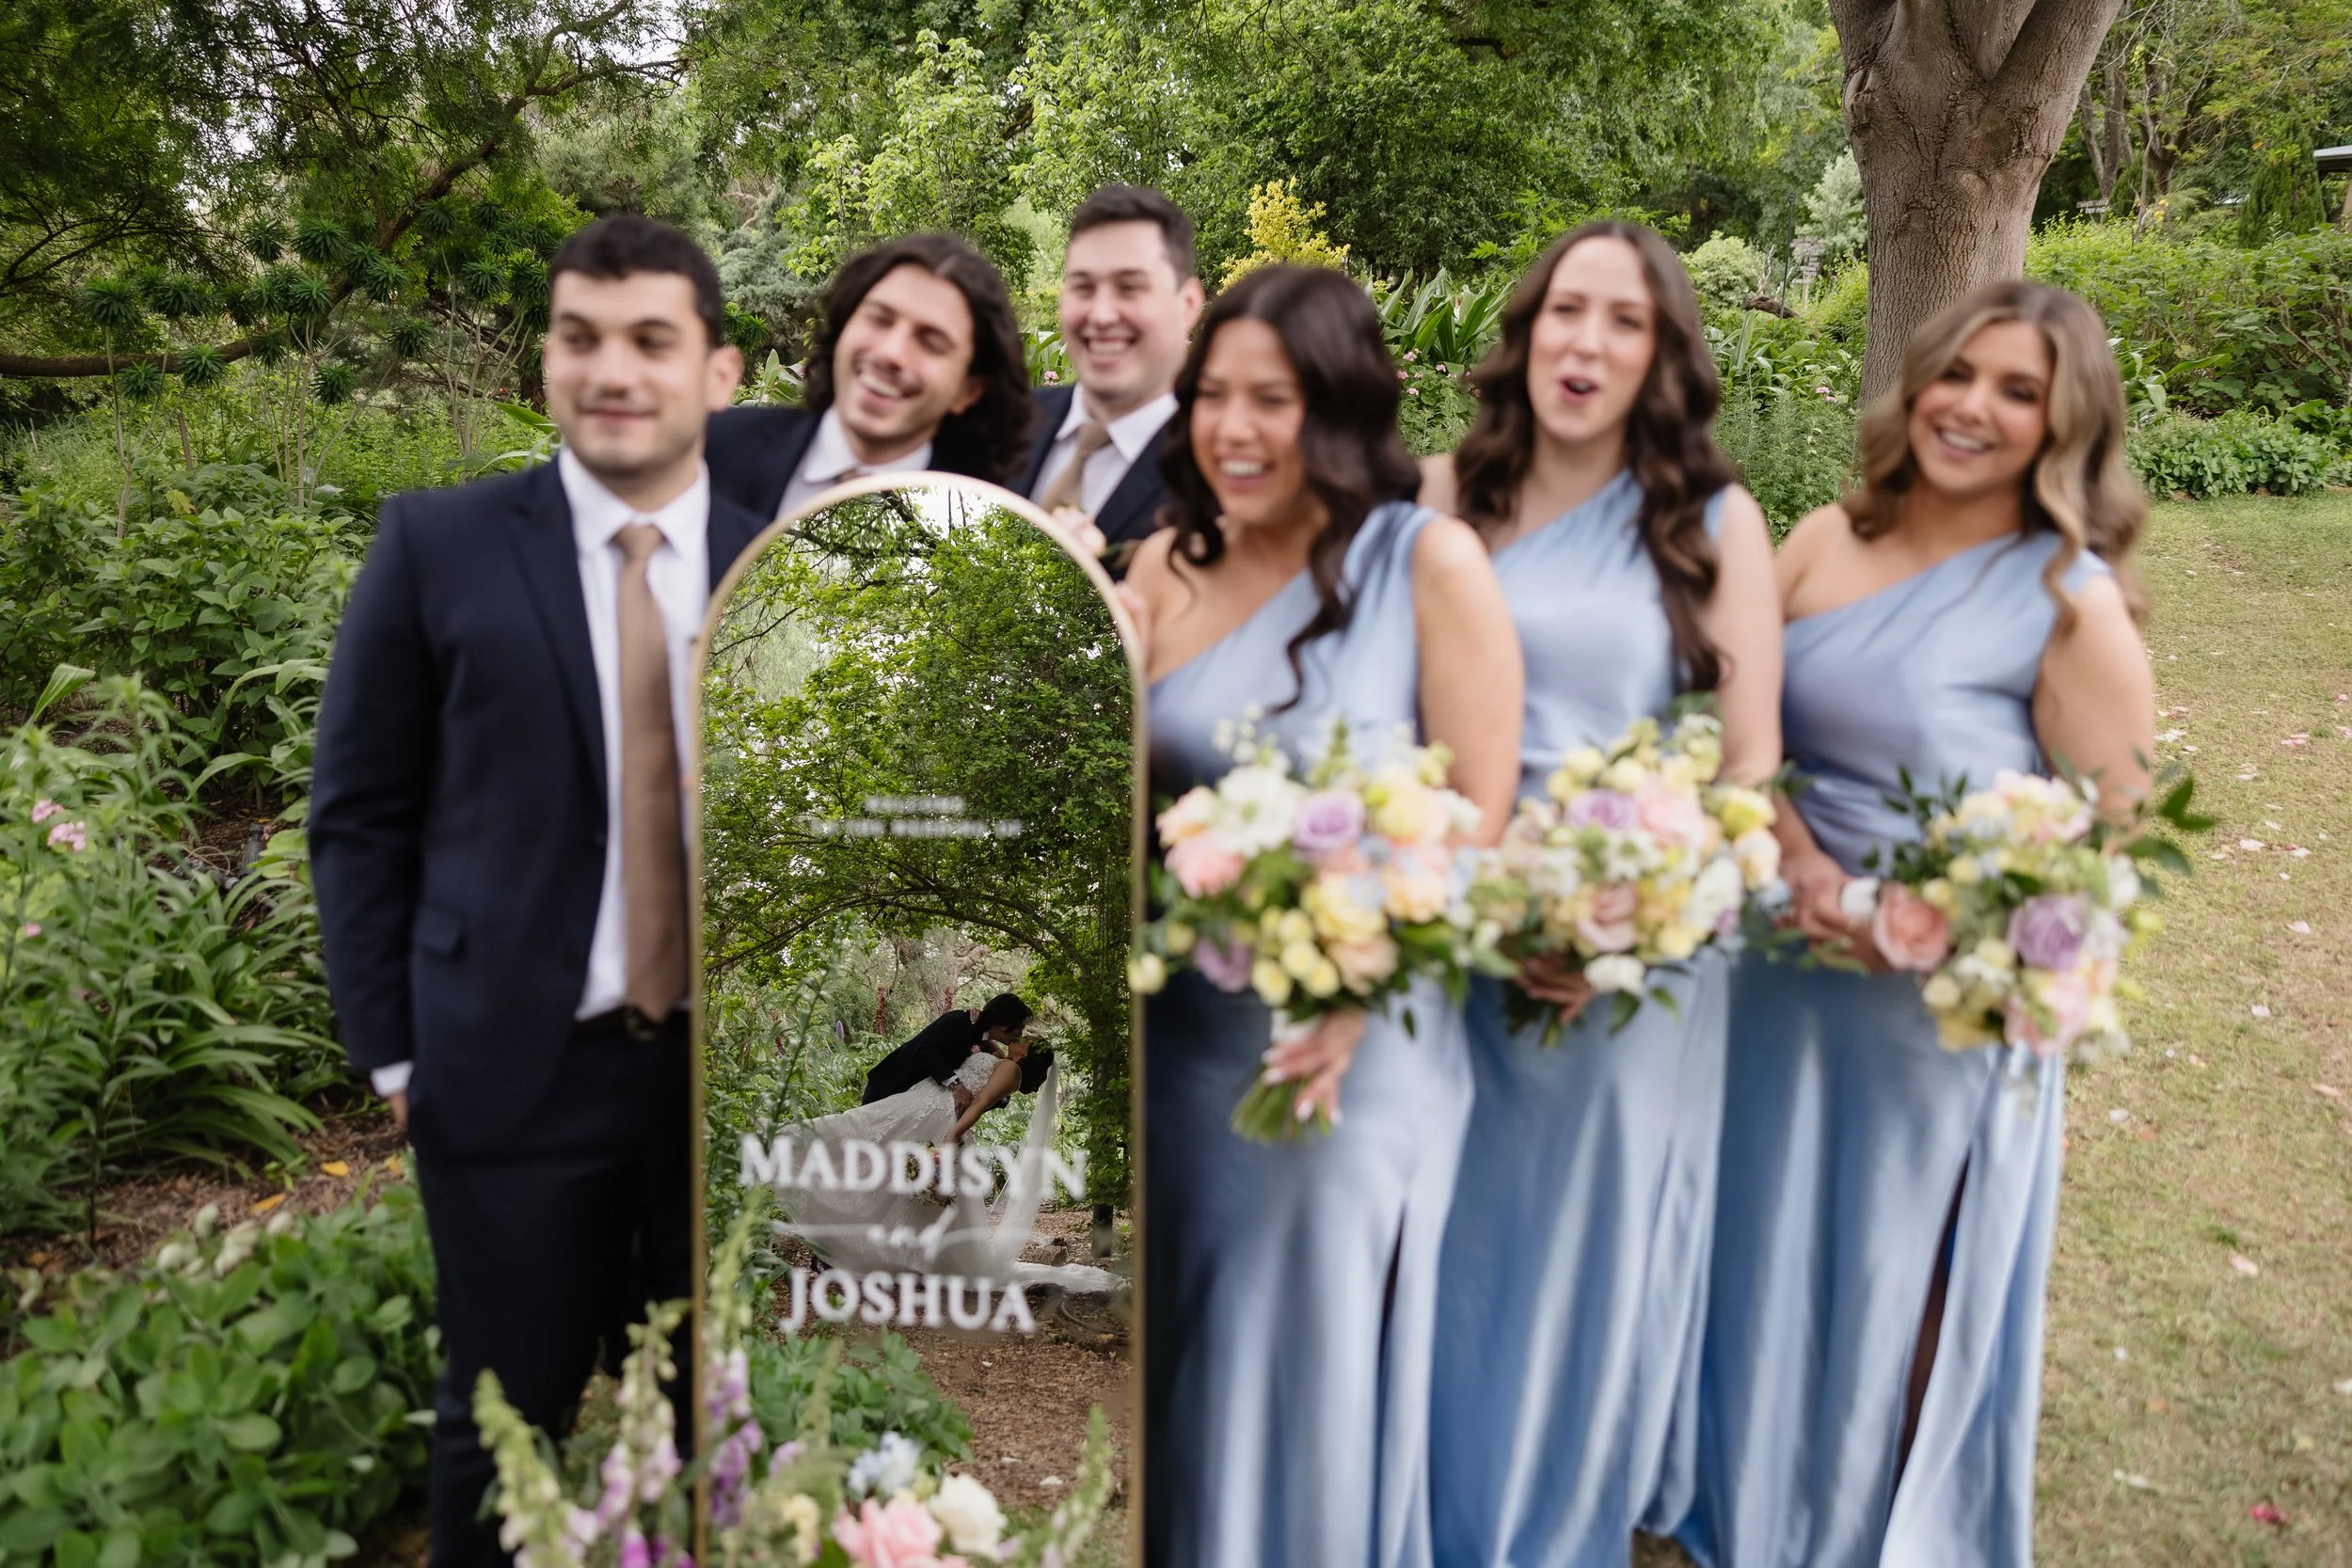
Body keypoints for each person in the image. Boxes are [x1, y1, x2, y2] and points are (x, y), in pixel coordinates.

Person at [310, 215, 767, 1567]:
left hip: (711, 1078)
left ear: (721, 373)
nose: (610, 369)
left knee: (710, 1412)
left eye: (649, 340)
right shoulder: (435, 544)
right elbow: (358, 810)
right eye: (580, 338)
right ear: (548, 363)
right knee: (500, 1415)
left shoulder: (772, 564)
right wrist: (392, 1048)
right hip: (507, 1065)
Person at [1682, 280, 2153, 1568]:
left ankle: (1853, 1532)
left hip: (1931, 1015)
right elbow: (1742, 734)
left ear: (2067, 425)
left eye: (2019, 391)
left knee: (1885, 1277)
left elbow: (2113, 846)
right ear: (1919, 381)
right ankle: (1731, 1498)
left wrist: (1948, 927)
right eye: (1961, 375)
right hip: (1776, 961)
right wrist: (1802, 869)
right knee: (1752, 1241)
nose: (1975, 408)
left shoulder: (2071, 597)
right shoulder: (1828, 536)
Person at [1122, 264, 1524, 1568]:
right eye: (1212, 397)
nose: (1231, 428)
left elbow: (1479, 813)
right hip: (1180, 1044)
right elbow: (1119, 812)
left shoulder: (1429, 560)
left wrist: (1358, 975)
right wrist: (1096, 651)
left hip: (1355, 1044)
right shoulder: (1162, 565)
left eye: (1271, 399)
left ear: (1338, 406)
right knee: (1189, 1349)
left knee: (1309, 1353)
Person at [1417, 221, 1783, 1568]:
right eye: (1568, 309)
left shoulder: (1714, 520)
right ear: (1530, 327)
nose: (1587, 342)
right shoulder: (1444, 491)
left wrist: (1636, 918)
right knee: (1448, 1236)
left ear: (1662, 351)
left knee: (1573, 1250)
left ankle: (1541, 1524)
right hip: (1444, 918)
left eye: (1624, 321)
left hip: (1632, 947)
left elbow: (1749, 766)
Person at [705, 231, 1033, 521]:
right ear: (844, 325)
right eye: (879, 319)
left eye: (931, 342)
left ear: (969, 390)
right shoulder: (711, 450)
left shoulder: (994, 517)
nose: (892, 353)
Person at [1022, 184, 1203, 573]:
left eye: (1130, 287)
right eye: (1083, 287)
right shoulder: (1000, 427)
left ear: (1187, 305)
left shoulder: (1215, 471)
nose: (1102, 315)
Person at [861, 991, 1033, 1105]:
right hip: (891, 1084)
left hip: (912, 1098)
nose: (1020, 1033)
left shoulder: (982, 1036)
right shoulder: (958, 1021)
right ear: (1003, 1020)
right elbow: (925, 1050)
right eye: (1018, 1027)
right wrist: (957, 1086)